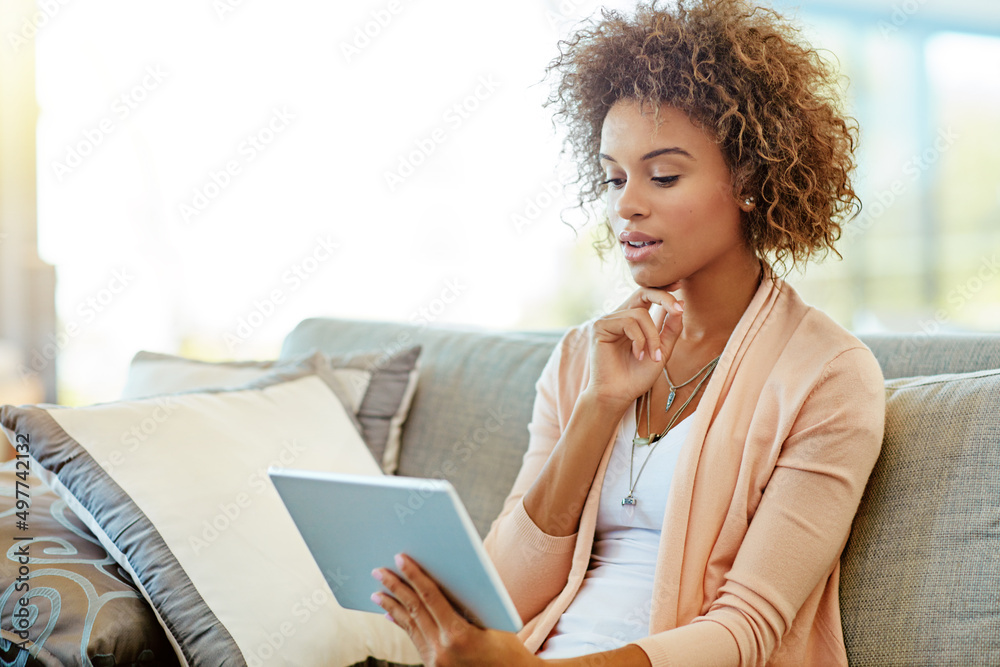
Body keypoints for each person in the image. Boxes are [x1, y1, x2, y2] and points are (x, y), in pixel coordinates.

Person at [369, 0, 886, 664]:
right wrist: (598, 405)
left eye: (663, 175)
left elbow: (747, 630)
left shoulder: (830, 375)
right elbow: (506, 593)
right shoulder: (582, 356)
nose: (626, 204)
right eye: (614, 177)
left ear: (751, 179)